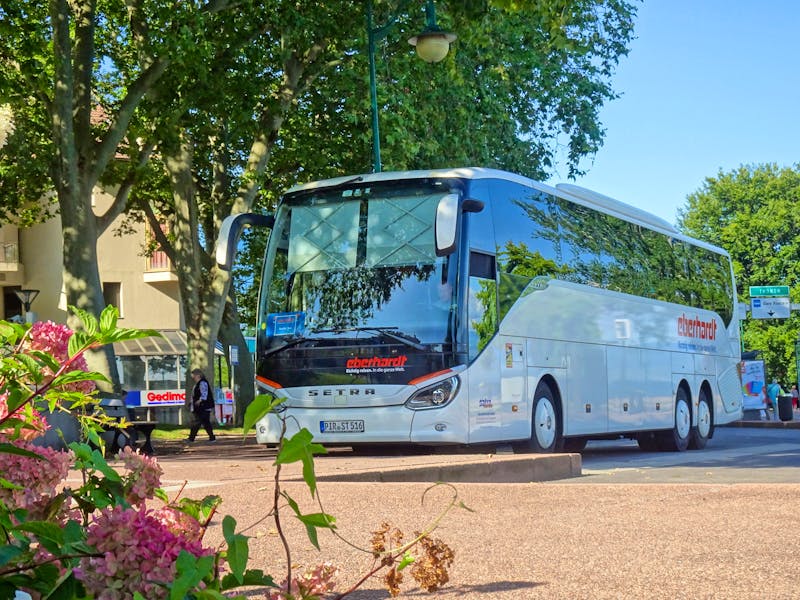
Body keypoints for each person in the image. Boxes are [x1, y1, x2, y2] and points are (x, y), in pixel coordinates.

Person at [187, 369, 216, 442]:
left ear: (198, 375)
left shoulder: (202, 383)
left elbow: (204, 393)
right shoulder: (197, 384)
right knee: (205, 423)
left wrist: (200, 401)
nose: (193, 377)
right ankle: (212, 437)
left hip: (203, 406)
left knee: (197, 422)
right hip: (202, 406)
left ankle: (191, 438)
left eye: (194, 376)